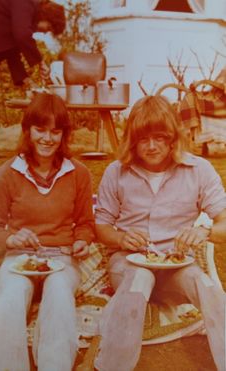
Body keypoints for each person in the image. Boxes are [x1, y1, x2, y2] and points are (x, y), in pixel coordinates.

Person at [94, 95, 226, 371]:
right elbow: (102, 225)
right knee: (140, 277)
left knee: (207, 285)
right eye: (143, 139)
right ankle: (111, 366)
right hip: (129, 263)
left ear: (172, 137)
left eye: (160, 138)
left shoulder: (198, 169)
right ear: (132, 140)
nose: (152, 146)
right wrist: (120, 238)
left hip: (175, 265)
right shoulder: (116, 172)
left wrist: (204, 231)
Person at [0, 92, 95, 371]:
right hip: (20, 257)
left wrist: (83, 240)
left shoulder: (79, 174)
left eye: (55, 131)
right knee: (10, 294)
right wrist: (11, 238)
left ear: (63, 135)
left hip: (61, 256)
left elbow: (86, 222)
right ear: (27, 130)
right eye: (40, 129)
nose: (47, 139)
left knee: (59, 292)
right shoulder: (5, 175)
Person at [0, 0, 66, 87]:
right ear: (46, 16)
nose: (45, 32)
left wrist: (28, 82)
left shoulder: (18, 22)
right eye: (48, 28)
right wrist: (41, 62)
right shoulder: (24, 3)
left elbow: (12, 54)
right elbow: (22, 35)